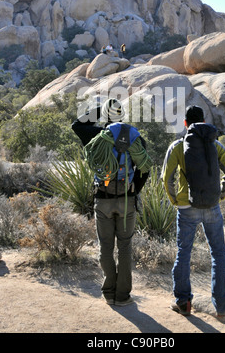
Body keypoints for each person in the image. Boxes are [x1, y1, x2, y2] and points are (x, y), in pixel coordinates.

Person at [72, 98, 151, 306]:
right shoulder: (135, 138)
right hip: (127, 201)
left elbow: (77, 125)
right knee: (125, 247)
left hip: (103, 199)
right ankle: (123, 296)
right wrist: (134, 191)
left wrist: (101, 111)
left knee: (105, 247)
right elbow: (145, 168)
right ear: (122, 116)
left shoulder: (96, 135)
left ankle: (108, 292)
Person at [161, 105, 225, 318]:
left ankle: (183, 303)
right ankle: (222, 307)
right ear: (203, 121)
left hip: (186, 207)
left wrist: (175, 200)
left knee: (184, 252)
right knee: (218, 253)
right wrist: (220, 196)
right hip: (212, 206)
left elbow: (166, 179)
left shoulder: (178, 146)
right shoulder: (215, 144)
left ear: (186, 123)